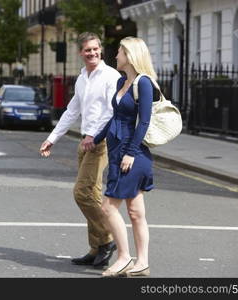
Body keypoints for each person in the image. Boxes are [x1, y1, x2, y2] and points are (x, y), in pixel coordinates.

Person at [39, 32, 121, 267]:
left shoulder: (110, 76)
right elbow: (72, 110)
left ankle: (108, 240)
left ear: (101, 50)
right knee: (92, 195)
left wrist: (93, 135)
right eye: (88, 50)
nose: (92, 53)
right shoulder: (82, 77)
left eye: (96, 49)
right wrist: (52, 138)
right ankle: (96, 249)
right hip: (85, 143)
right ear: (81, 53)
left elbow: (111, 111)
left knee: (82, 193)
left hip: (100, 142)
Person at [93, 37, 158, 277]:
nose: (116, 55)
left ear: (130, 56)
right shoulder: (123, 81)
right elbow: (115, 116)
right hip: (117, 150)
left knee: (108, 207)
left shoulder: (144, 84)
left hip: (132, 154)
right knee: (136, 212)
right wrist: (96, 137)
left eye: (120, 51)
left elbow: (144, 122)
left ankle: (123, 257)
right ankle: (142, 263)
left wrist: (130, 153)